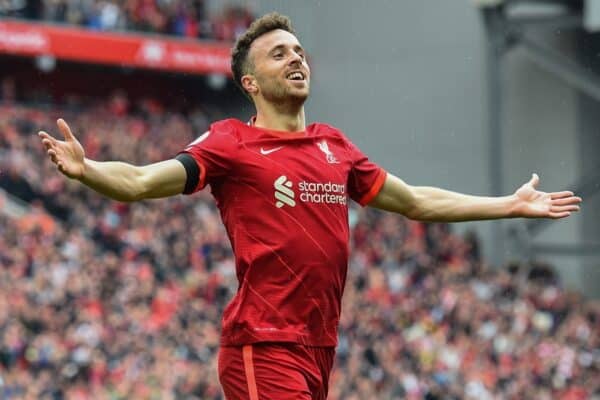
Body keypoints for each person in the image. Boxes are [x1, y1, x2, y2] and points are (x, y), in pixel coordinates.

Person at [38, 12, 582, 400]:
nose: (295, 58)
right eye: (279, 54)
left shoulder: (335, 146)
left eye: (298, 51)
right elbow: (140, 181)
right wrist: (90, 172)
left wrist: (507, 204)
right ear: (250, 82)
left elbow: (415, 201)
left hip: (319, 347)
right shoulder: (231, 142)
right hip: (263, 345)